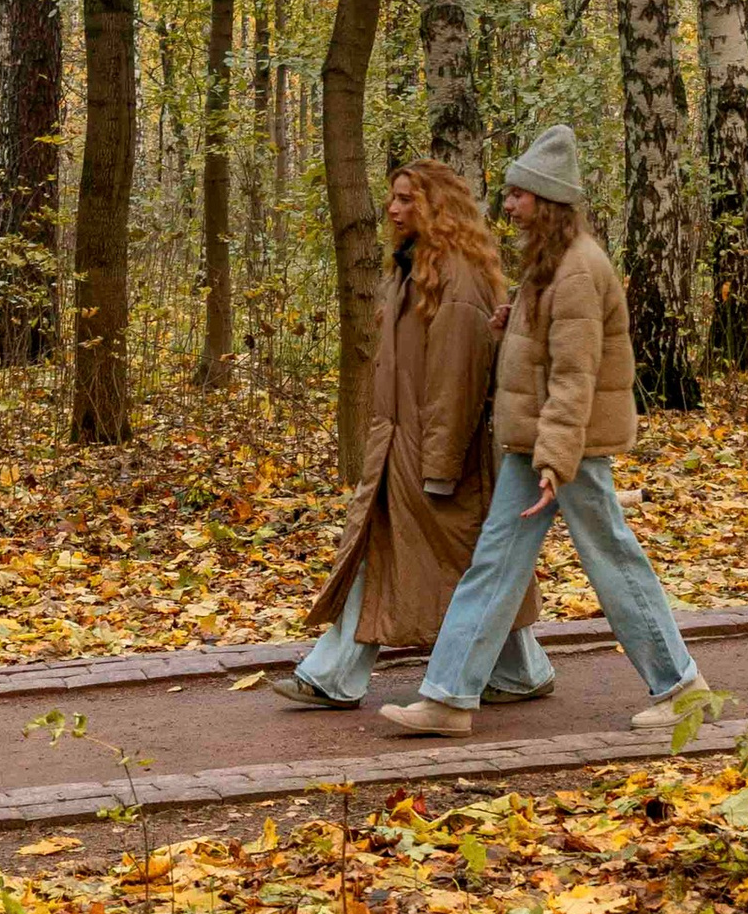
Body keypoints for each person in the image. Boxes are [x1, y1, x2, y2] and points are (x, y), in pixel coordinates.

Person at [379, 126, 715, 739]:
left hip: (566, 449)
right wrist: (514, 327)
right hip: (534, 445)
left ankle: (681, 687)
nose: (507, 205)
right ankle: (449, 697)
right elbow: (547, 354)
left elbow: (574, 375)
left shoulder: (579, 269)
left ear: (548, 200)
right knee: (494, 563)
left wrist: (555, 460)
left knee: (611, 559)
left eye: (518, 195)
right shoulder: (550, 264)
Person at [273, 160, 555, 712]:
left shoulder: (457, 276)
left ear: (438, 208)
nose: (394, 209)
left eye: (407, 199)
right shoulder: (413, 267)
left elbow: (457, 378)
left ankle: (338, 674)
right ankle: (518, 669)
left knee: (465, 560)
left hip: (433, 451)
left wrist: (441, 465)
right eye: (393, 198)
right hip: (400, 447)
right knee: (413, 556)